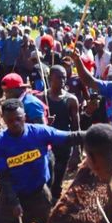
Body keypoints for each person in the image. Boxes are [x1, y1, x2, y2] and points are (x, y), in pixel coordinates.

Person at [41, 65, 80, 200]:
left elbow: (76, 126)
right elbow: (34, 124)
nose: (63, 80)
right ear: (50, 78)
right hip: (47, 143)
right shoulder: (42, 98)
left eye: (64, 77)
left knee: (58, 177)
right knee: (47, 176)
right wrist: (46, 121)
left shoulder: (71, 100)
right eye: (59, 77)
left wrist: (77, 150)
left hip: (64, 143)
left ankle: (55, 200)